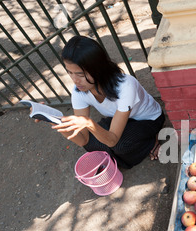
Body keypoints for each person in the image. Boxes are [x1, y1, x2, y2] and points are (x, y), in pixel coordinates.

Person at [49, 35, 165, 168]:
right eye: (70, 72)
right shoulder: (78, 91)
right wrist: (56, 122)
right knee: (92, 144)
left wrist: (88, 123)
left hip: (148, 120)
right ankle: (121, 155)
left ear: (97, 69)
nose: (75, 80)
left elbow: (112, 140)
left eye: (80, 74)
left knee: (120, 146)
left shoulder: (125, 85)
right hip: (119, 120)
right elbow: (83, 140)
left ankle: (151, 141)